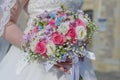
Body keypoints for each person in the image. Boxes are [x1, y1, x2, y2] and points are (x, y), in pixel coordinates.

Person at [0, 0, 96, 80]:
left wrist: (81, 39)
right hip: (36, 61)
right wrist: (36, 47)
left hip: (74, 61)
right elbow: (5, 23)